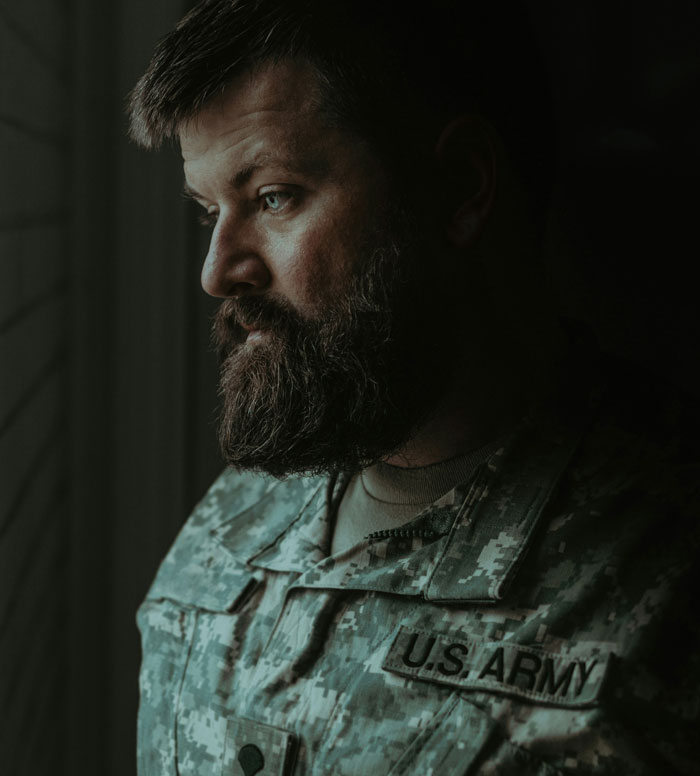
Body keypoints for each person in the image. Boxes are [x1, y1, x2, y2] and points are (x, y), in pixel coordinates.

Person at [128, 1, 699, 773]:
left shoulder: (659, 577)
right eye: (208, 213)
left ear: (461, 185)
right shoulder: (238, 516)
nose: (217, 271)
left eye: (273, 197)